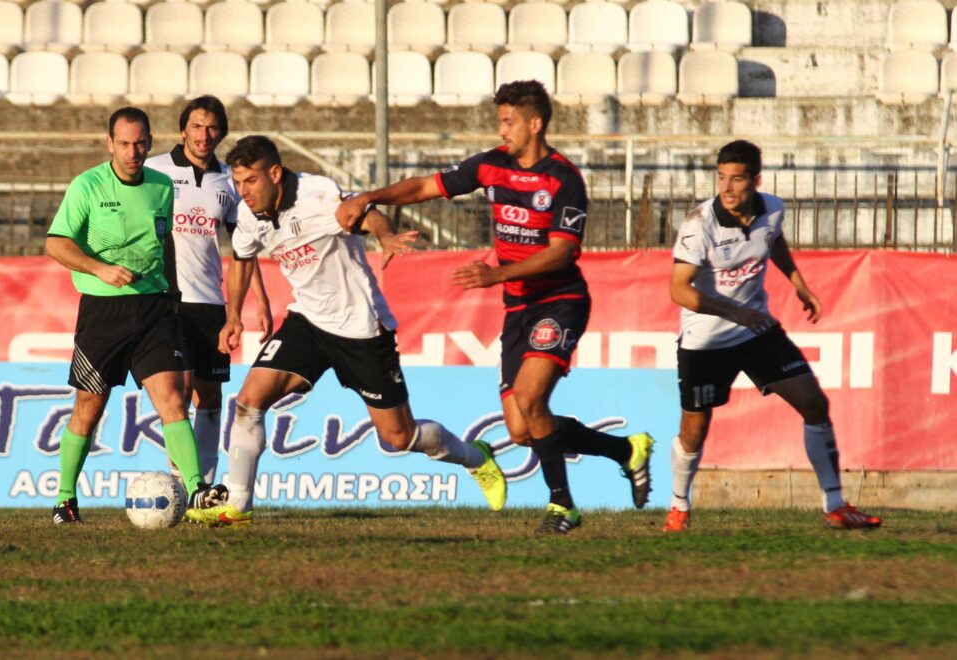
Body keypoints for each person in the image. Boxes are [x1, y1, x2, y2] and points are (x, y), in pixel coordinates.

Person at [336, 80, 654, 534]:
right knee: (523, 428)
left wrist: (496, 274)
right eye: (500, 121)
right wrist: (371, 197)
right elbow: (428, 186)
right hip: (518, 306)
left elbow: (563, 251)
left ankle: (562, 505)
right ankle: (626, 451)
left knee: (530, 398)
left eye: (509, 121)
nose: (502, 130)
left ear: (535, 123)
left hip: (559, 300)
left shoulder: (564, 178)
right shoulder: (491, 165)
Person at [186, 135, 507, 527]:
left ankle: (476, 457)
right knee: (249, 401)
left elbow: (366, 212)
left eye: (250, 181)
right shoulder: (250, 216)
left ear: (274, 172)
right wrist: (234, 314)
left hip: (360, 329)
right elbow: (242, 257)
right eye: (237, 183)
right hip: (307, 322)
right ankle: (237, 505)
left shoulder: (317, 194)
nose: (243, 191)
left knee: (399, 436)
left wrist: (385, 235)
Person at [666, 139, 882, 532]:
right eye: (721, 179)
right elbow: (679, 289)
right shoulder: (700, 224)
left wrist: (799, 283)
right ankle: (679, 506)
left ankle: (835, 505)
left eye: (737, 180)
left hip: (757, 332)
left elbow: (773, 241)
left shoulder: (773, 209)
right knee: (694, 432)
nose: (727, 189)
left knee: (815, 404)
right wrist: (734, 311)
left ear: (755, 180)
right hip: (706, 342)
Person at [45, 107, 227, 525]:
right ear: (110, 143)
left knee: (174, 401)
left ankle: (197, 489)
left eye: (140, 143)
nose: (133, 151)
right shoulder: (87, 185)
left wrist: (171, 295)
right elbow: (56, 243)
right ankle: (65, 499)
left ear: (149, 141)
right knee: (88, 409)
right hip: (103, 312)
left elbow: (164, 245)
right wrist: (99, 268)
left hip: (155, 310)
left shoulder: (162, 186)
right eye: (124, 143)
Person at [145, 95, 272, 485]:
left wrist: (259, 301)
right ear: (183, 129)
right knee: (177, 395)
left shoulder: (228, 182)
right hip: (167, 301)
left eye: (212, 127)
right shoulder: (155, 171)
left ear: (222, 132)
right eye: (197, 126)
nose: (204, 134)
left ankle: (205, 488)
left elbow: (244, 247)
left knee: (211, 399)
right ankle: (181, 483)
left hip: (211, 304)